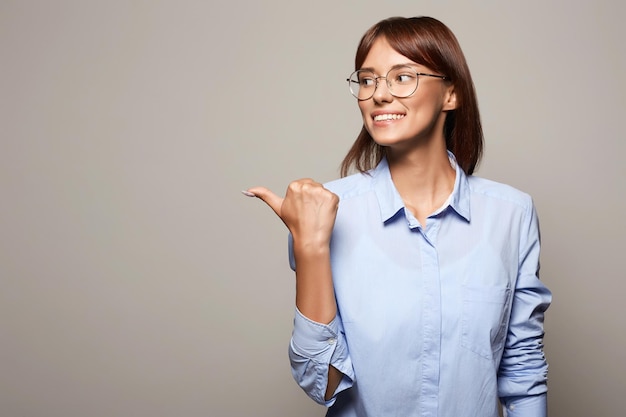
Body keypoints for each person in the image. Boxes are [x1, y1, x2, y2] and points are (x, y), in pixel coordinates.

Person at [243, 16, 551, 417]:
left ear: (450, 94)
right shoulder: (324, 210)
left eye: (402, 77)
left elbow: (523, 372)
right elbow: (321, 382)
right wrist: (312, 246)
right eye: (368, 80)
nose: (379, 95)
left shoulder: (512, 214)